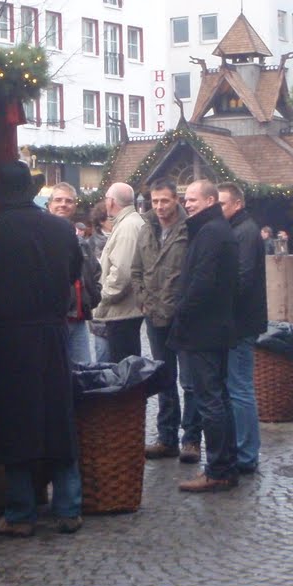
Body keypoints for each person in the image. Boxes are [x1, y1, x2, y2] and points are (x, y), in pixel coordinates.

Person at [0, 161, 83, 536]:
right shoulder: (62, 229)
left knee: (15, 423)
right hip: (53, 333)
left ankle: (20, 512)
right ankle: (68, 507)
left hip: (10, 338)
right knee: (59, 418)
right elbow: (74, 273)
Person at [172, 180, 240, 492]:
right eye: (185, 199)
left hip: (203, 329)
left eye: (192, 199)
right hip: (212, 328)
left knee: (210, 399)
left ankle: (218, 469)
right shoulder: (214, 229)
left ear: (210, 200)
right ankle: (224, 465)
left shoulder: (211, 232)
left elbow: (203, 282)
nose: (187, 204)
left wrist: (182, 310)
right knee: (218, 398)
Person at [218, 183, 265, 477]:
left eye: (222, 204)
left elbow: (243, 277)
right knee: (236, 387)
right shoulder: (238, 229)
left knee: (240, 388)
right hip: (237, 321)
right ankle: (241, 449)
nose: (218, 209)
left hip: (241, 322)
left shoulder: (245, 231)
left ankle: (246, 453)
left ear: (236, 204)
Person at [138, 180, 187, 459]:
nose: (158, 207)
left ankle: (190, 436)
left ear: (176, 200)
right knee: (164, 377)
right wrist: (143, 299)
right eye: (154, 201)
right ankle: (167, 437)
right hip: (154, 314)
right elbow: (136, 269)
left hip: (181, 315)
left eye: (164, 201)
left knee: (190, 380)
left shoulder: (188, 228)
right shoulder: (147, 228)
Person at [92, 182, 148, 363]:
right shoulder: (128, 223)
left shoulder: (128, 227)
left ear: (110, 202)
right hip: (122, 310)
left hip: (122, 312)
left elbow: (122, 273)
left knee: (124, 368)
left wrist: (102, 297)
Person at [47, 181, 92, 363]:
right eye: (58, 200)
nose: (63, 204)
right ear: (49, 204)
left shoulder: (80, 239)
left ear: (74, 206)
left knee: (83, 373)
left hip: (79, 318)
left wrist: (92, 296)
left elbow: (92, 272)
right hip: (53, 319)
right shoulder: (41, 234)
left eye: (68, 201)